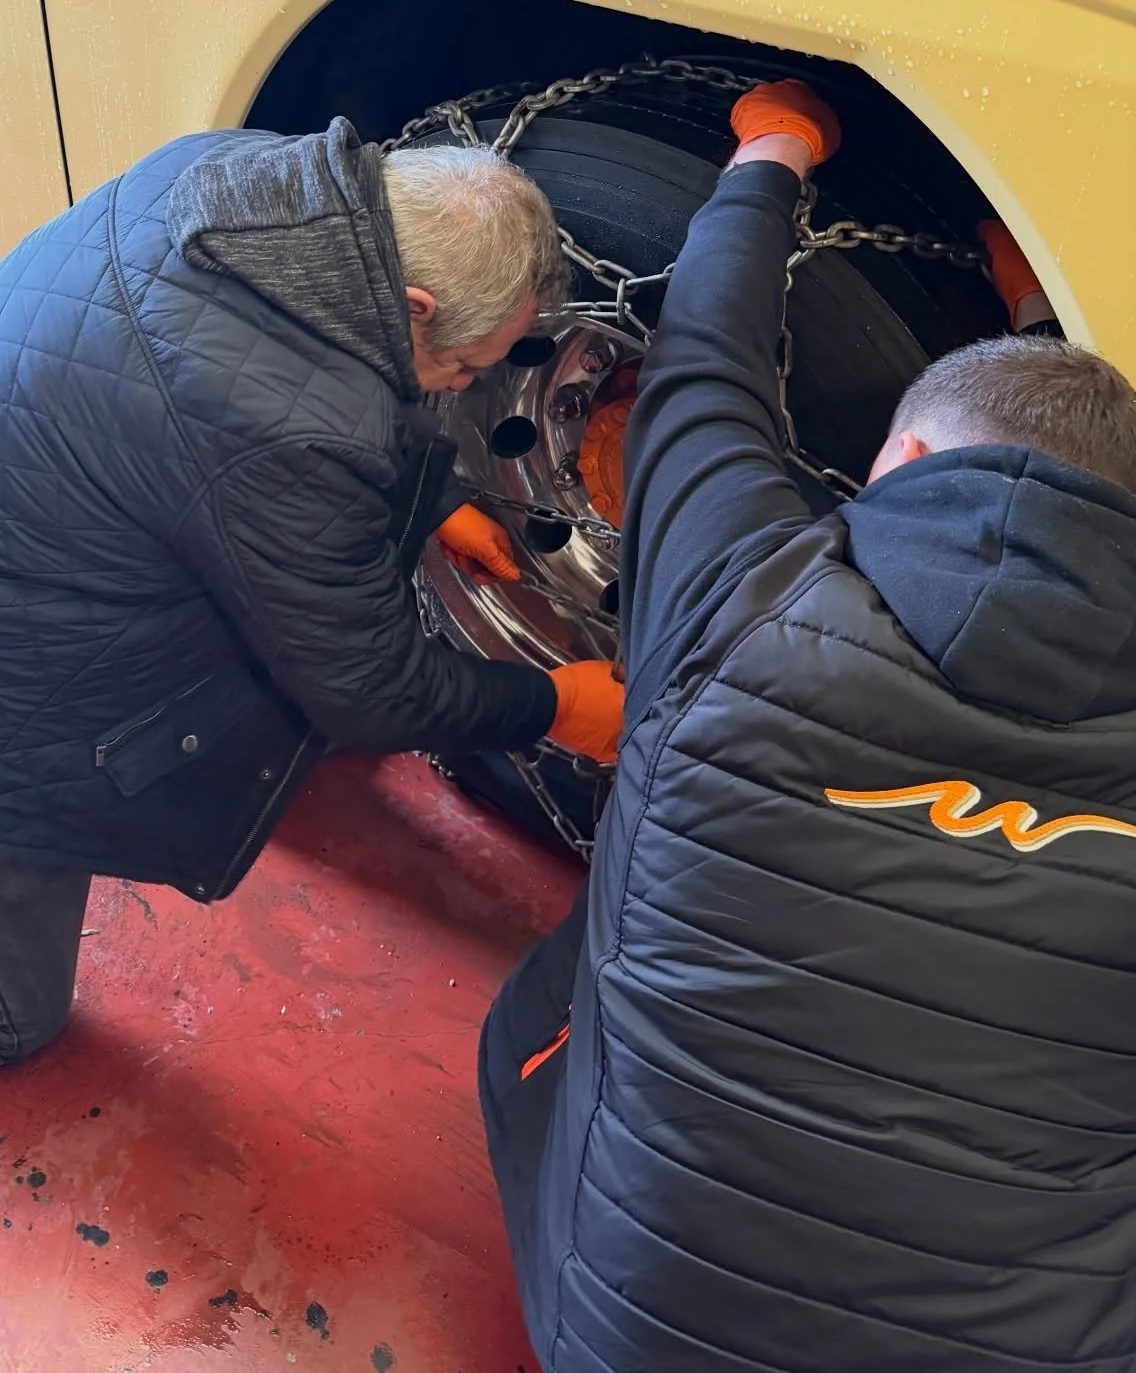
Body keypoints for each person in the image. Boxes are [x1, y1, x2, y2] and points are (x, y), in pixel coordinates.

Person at [0, 119, 624, 1062]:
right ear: (416, 304)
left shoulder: (235, 175)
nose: (465, 384)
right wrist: (553, 703)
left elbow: (242, 441)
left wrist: (422, 504)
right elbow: (369, 689)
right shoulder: (290, 431)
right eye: (465, 369)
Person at [480, 82, 1136, 1372]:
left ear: (895, 466)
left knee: (547, 1011)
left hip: (618, 1342)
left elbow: (705, 371)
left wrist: (771, 146)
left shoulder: (743, 597)